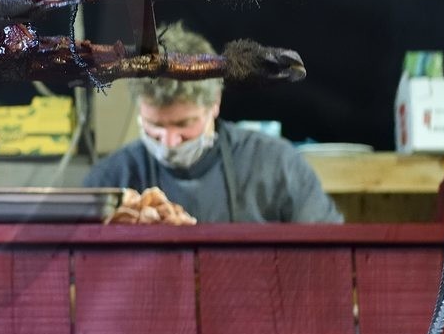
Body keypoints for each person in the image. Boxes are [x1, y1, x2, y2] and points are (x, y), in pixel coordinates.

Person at [84, 25, 342, 223]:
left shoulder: (276, 166)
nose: (170, 142)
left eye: (184, 124)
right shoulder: (111, 179)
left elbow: (332, 258)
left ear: (214, 103)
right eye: (155, 126)